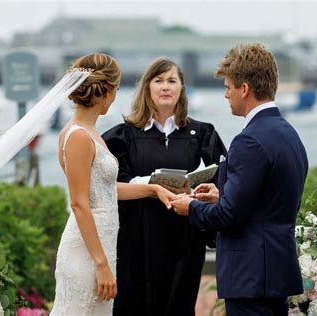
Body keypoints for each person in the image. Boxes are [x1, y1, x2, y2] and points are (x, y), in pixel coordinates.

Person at [171, 44, 309, 316]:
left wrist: (191, 207)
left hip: (250, 276)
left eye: (228, 87)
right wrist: (222, 195)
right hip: (275, 272)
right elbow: (268, 201)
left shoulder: (249, 141)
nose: (225, 95)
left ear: (244, 89)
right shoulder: (288, 133)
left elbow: (229, 216)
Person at [50, 54, 176, 316]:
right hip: (86, 252)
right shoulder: (78, 137)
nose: (116, 96)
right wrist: (101, 264)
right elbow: (79, 202)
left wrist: (152, 189)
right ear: (106, 91)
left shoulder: (89, 132)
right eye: (116, 90)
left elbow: (103, 191)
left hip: (101, 247)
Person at [102, 57, 227, 315]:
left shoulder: (202, 133)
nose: (165, 87)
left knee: (179, 304)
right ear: (147, 87)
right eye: (158, 81)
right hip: (137, 237)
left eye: (172, 81)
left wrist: (208, 192)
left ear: (182, 88)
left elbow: (223, 178)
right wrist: (151, 184)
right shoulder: (124, 135)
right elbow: (110, 184)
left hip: (184, 237)